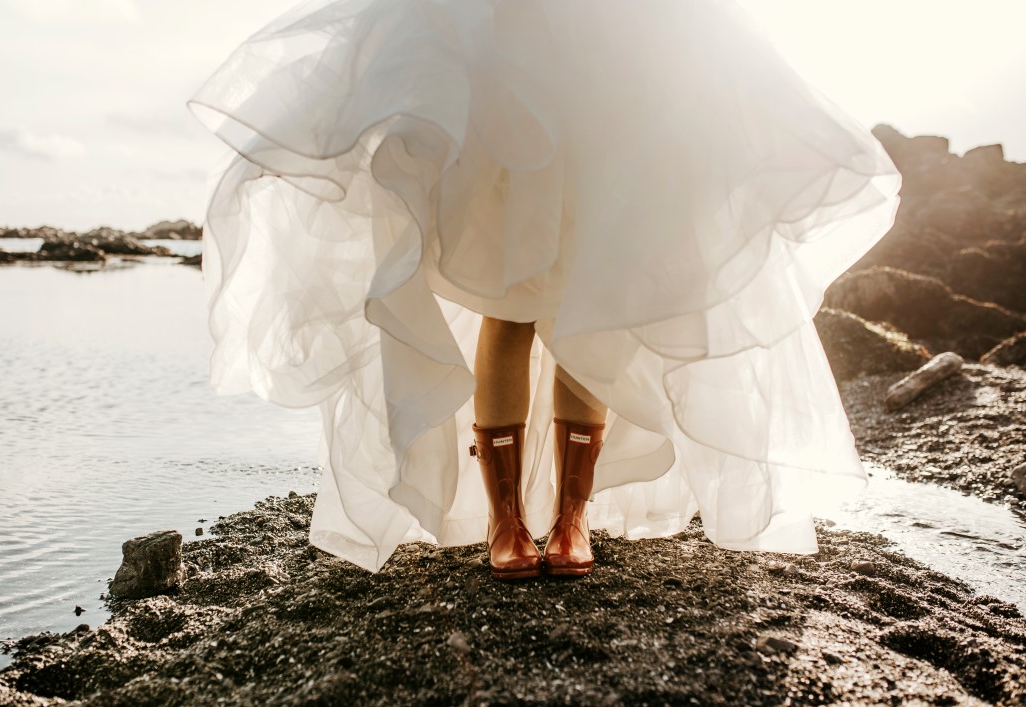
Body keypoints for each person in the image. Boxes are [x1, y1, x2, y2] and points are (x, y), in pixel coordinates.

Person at [188, 0, 901, 580]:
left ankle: (570, 516)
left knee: (591, 303)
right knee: (511, 297)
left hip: (618, 70)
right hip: (509, 57)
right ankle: (505, 517)